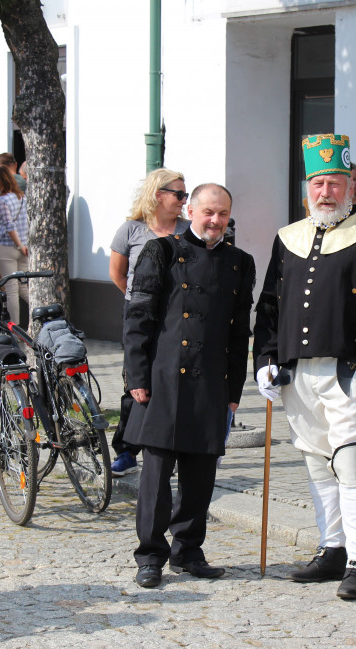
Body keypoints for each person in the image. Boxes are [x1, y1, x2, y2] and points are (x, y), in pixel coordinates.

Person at [254, 133, 356, 600]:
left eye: (335, 182)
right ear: (307, 189)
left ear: (350, 186)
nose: (326, 192)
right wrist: (264, 361)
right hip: (298, 374)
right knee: (317, 465)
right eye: (318, 183)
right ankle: (332, 548)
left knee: (352, 463)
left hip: (350, 372)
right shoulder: (287, 238)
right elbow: (270, 307)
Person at [124, 183, 255, 589]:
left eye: (222, 214)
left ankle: (188, 551)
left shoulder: (240, 262)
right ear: (192, 212)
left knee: (201, 476)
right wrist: (136, 376)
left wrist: (234, 391)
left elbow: (239, 333)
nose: (215, 221)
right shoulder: (161, 251)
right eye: (208, 213)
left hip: (211, 380)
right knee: (156, 477)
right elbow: (138, 317)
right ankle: (150, 556)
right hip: (162, 378)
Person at [108, 168, 191, 477]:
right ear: (159, 195)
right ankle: (127, 450)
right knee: (136, 380)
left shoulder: (188, 230)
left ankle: (168, 447)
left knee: (171, 378)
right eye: (179, 194)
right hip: (139, 313)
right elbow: (118, 274)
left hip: (177, 315)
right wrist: (140, 302)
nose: (184, 200)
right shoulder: (131, 230)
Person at [0, 165, 29, 326]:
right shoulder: (22, 197)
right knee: (24, 287)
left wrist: (18, 245)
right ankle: (42, 313)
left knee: (11, 289)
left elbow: (9, 225)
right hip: (23, 247)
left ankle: (14, 327)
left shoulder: (3, 200)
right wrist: (23, 245)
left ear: (0, 180)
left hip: (8, 247)